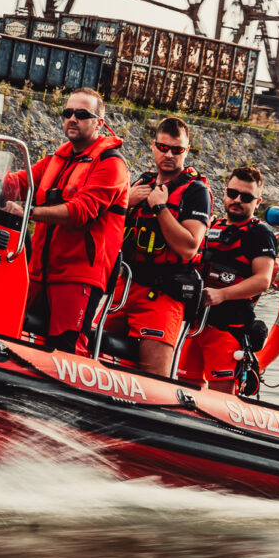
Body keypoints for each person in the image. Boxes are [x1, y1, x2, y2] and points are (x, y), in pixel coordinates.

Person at [4, 87, 129, 353]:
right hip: (38, 271)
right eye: (68, 112)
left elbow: (81, 210)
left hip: (77, 277)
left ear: (99, 123)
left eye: (81, 114)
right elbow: (18, 182)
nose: (73, 118)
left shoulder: (111, 164)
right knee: (13, 330)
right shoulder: (55, 159)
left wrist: (29, 212)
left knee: (66, 348)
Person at [106, 116, 211, 376]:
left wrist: (161, 208)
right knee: (92, 348)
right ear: (154, 147)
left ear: (186, 151)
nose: (169, 155)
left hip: (163, 294)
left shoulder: (195, 192)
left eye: (177, 150)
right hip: (126, 286)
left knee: (155, 373)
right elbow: (108, 229)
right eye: (163, 147)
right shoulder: (142, 183)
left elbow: (189, 247)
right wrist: (125, 202)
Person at [179, 166, 277, 394]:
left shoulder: (260, 233)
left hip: (229, 329)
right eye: (233, 194)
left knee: (221, 394)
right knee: (185, 385)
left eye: (246, 197)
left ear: (257, 202)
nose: (237, 200)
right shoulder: (210, 225)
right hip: (196, 325)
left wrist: (221, 294)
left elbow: (263, 280)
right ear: (225, 193)